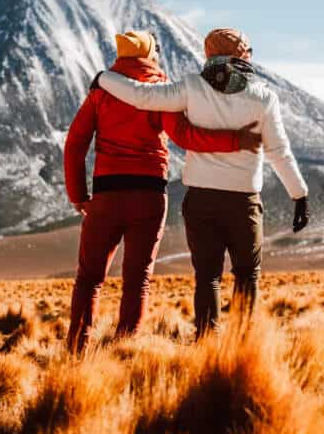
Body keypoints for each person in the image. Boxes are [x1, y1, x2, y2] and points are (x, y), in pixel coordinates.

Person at [95, 27, 309, 337]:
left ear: (208, 55)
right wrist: (298, 194)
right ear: (243, 55)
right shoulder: (263, 98)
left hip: (201, 201)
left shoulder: (192, 88)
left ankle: (206, 341)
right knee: (247, 275)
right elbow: (278, 151)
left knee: (207, 276)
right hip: (243, 202)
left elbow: (142, 97)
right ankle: (242, 346)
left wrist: (104, 78)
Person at [64, 29, 262, 352]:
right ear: (150, 55)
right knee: (137, 279)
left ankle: (76, 352)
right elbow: (184, 136)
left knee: (89, 278)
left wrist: (78, 196)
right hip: (149, 195)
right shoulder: (160, 91)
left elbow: (74, 144)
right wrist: (234, 140)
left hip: (105, 195)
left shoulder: (101, 93)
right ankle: (125, 349)